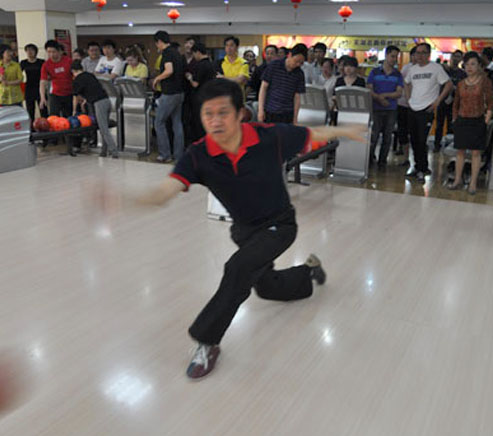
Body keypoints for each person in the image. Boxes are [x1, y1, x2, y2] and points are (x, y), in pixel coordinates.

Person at [115, 78, 367, 379]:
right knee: (265, 286)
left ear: (239, 114)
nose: (215, 121)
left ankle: (207, 342)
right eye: (208, 114)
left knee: (237, 270)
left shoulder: (269, 137)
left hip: (279, 225)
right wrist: (123, 200)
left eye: (223, 113)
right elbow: (163, 193)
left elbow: (314, 133)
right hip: (244, 231)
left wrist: (344, 130)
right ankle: (308, 271)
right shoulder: (198, 155)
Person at [404, 42, 453, 182]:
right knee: (414, 140)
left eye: (423, 53)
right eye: (417, 53)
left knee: (422, 140)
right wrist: (408, 99)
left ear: (428, 54)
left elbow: (448, 84)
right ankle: (418, 166)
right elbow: (406, 83)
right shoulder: (412, 69)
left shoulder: (436, 68)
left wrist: (437, 101)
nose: (419, 56)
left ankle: (422, 169)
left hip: (427, 109)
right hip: (413, 108)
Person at [448, 52, 493, 194]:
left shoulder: (485, 81)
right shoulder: (461, 83)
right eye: (467, 64)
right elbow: (456, 103)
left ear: (479, 66)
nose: (469, 67)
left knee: (475, 153)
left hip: (478, 120)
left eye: (473, 64)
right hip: (462, 120)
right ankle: (457, 179)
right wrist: (455, 119)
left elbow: (491, 102)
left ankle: (473, 183)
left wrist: (486, 120)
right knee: (460, 151)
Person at [71, 60, 119, 158]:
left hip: (99, 103)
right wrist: (86, 100)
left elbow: (75, 97)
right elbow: (92, 89)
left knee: (103, 129)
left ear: (73, 71)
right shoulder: (90, 75)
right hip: (107, 100)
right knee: (103, 127)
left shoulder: (77, 79)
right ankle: (104, 151)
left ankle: (114, 151)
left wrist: (74, 110)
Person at [367, 46, 404, 170]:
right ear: (386, 55)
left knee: (387, 137)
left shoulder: (398, 74)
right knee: (373, 136)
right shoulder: (374, 72)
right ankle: (369, 160)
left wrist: (385, 96)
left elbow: (399, 92)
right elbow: (369, 89)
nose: (394, 59)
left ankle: (382, 162)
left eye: (396, 57)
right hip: (376, 108)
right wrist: (379, 98)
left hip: (391, 109)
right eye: (392, 56)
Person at [152, 30, 186, 163]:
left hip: (170, 93)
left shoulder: (166, 53)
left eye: (156, 44)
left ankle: (164, 154)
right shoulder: (177, 53)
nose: (157, 46)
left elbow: (169, 70)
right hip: (180, 92)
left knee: (159, 122)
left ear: (160, 42)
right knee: (177, 123)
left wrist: (157, 79)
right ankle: (178, 155)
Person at [257, 44, 308, 124]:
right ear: (290, 55)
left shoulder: (299, 74)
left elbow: (297, 97)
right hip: (270, 111)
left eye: (301, 63)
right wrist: (260, 110)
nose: (298, 64)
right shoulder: (274, 65)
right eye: (296, 61)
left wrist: (295, 118)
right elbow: (263, 88)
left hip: (287, 113)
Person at [434, 50, 467, 152]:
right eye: (454, 56)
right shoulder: (443, 70)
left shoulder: (462, 74)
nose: (456, 58)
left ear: (461, 59)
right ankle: (437, 145)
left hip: (455, 103)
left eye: (458, 56)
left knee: (451, 125)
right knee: (439, 124)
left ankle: (449, 147)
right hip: (442, 101)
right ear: (451, 57)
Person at [186, 42, 217, 142]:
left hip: (199, 98)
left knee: (198, 124)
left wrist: (189, 77)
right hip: (209, 97)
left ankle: (200, 144)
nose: (194, 57)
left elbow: (195, 84)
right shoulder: (211, 64)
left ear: (198, 52)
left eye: (194, 54)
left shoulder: (200, 65)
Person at [394, 46, 418, 167]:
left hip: (417, 105)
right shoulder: (406, 68)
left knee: (415, 133)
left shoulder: (424, 69)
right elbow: (402, 84)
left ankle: (417, 160)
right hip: (403, 104)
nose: (416, 57)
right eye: (414, 55)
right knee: (402, 131)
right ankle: (405, 157)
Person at [40, 40, 73, 117]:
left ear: (59, 51)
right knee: (53, 116)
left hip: (69, 93)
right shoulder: (46, 65)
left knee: (68, 116)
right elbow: (43, 82)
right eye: (49, 52)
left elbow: (76, 76)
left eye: (53, 52)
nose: (51, 54)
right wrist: (42, 97)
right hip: (55, 94)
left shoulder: (68, 61)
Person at [20, 44, 45, 122]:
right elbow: (18, 74)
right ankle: (31, 125)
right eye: (27, 50)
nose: (29, 52)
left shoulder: (41, 62)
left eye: (31, 50)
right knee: (30, 109)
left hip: (40, 86)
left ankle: (45, 124)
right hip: (29, 87)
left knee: (43, 109)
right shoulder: (23, 62)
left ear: (36, 51)